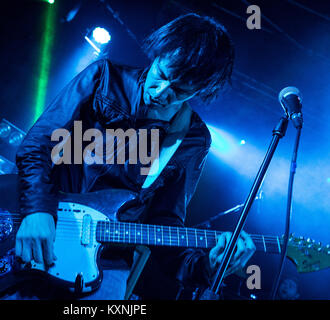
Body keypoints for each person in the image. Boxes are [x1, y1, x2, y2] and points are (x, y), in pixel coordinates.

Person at [13, 13, 256, 300]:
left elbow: (166, 222)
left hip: (106, 264)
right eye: (162, 74)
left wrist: (209, 267)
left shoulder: (193, 138)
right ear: (158, 54)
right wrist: (38, 210)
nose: (162, 92)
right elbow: (37, 146)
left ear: (200, 90)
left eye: (179, 90)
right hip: (43, 226)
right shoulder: (103, 78)